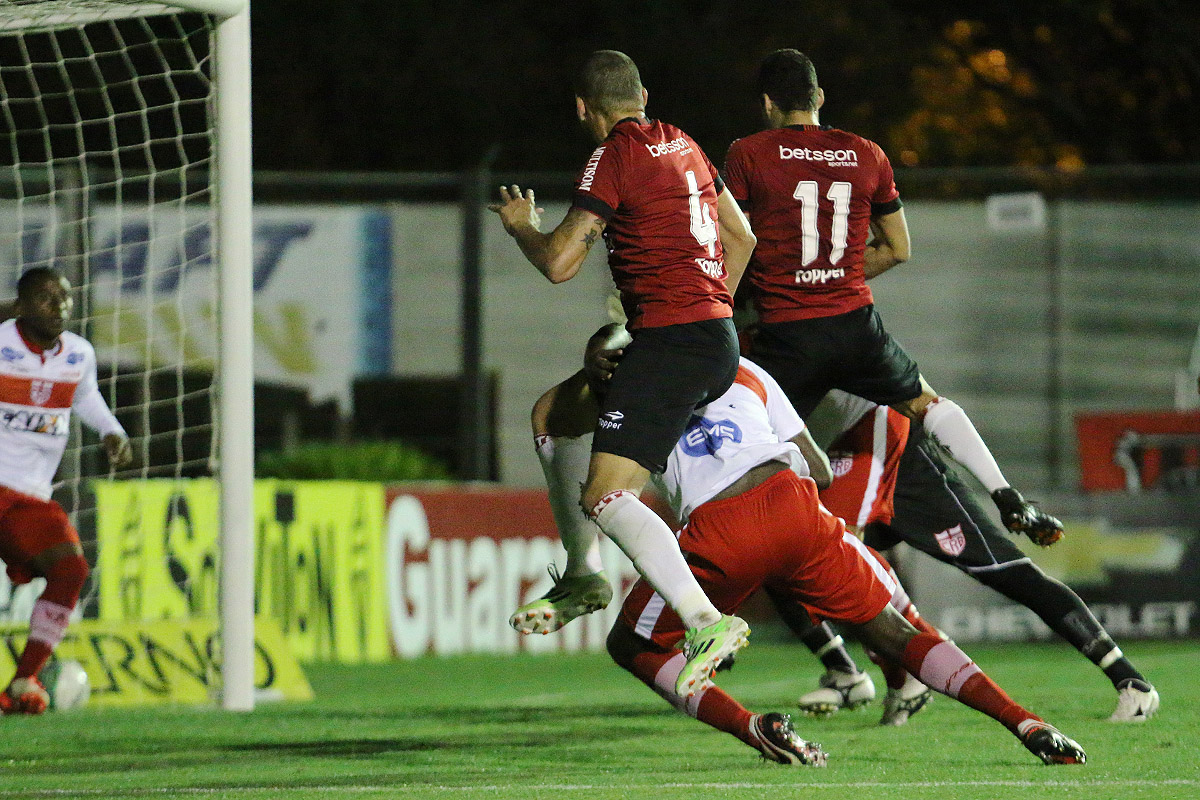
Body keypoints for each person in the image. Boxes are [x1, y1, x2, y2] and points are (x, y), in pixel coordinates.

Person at [530, 323, 1086, 766]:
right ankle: (1024, 721)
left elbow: (556, 420)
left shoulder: (633, 383)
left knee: (633, 645)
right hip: (792, 502)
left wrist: (592, 365)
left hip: (720, 530)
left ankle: (753, 725)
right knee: (896, 631)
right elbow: (818, 467)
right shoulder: (746, 370)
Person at [490, 50, 758, 696]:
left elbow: (559, 262)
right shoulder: (687, 144)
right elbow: (742, 238)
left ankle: (704, 622)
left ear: (584, 109)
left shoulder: (612, 154)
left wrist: (524, 227)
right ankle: (583, 574)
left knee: (606, 496)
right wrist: (712, 309)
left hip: (672, 342)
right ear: (644, 92)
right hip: (712, 337)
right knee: (555, 416)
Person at [723, 48, 1063, 551]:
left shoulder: (748, 153)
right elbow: (898, 248)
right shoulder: (867, 153)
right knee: (927, 402)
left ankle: (749, 555)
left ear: (769, 104)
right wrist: (832, 275)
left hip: (787, 334)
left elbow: (735, 239)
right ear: (819, 97)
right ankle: (1006, 493)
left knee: (750, 444)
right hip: (855, 324)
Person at [787, 390, 1160, 723]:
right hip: (839, 447)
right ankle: (877, 670)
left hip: (885, 445)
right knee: (806, 559)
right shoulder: (756, 341)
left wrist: (1003, 492)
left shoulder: (836, 334)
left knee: (1011, 574)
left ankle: (1131, 682)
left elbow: (926, 401)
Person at [0, 267, 131, 714]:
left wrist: (112, 430)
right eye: (45, 298)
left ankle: (24, 680)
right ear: (19, 306)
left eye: (65, 298)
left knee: (71, 570)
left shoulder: (78, 353)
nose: (59, 307)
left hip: (30, 497)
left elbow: (86, 397)